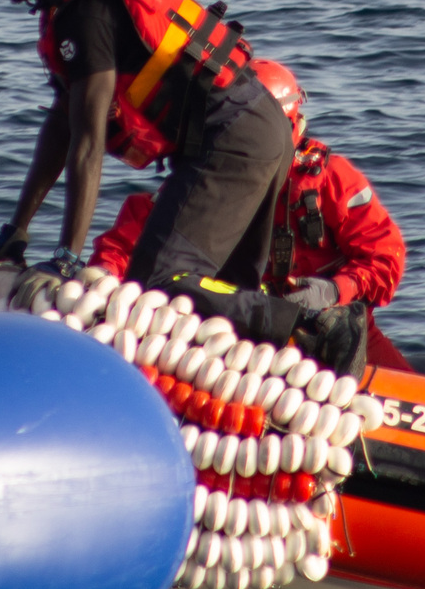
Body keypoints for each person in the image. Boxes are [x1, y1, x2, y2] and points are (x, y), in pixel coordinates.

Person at [0, 0, 308, 350]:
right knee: (230, 296)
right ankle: (267, 381)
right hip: (254, 126)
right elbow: (62, 125)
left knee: (162, 285)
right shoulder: (69, 5)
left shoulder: (86, 10)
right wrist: (14, 235)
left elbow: (87, 142)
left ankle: (315, 332)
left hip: (231, 135)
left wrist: (67, 257)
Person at [89, 59, 401, 374]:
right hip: (238, 334)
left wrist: (335, 291)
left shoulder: (331, 181)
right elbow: (127, 243)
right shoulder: (210, 178)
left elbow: (385, 259)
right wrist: (102, 285)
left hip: (336, 330)